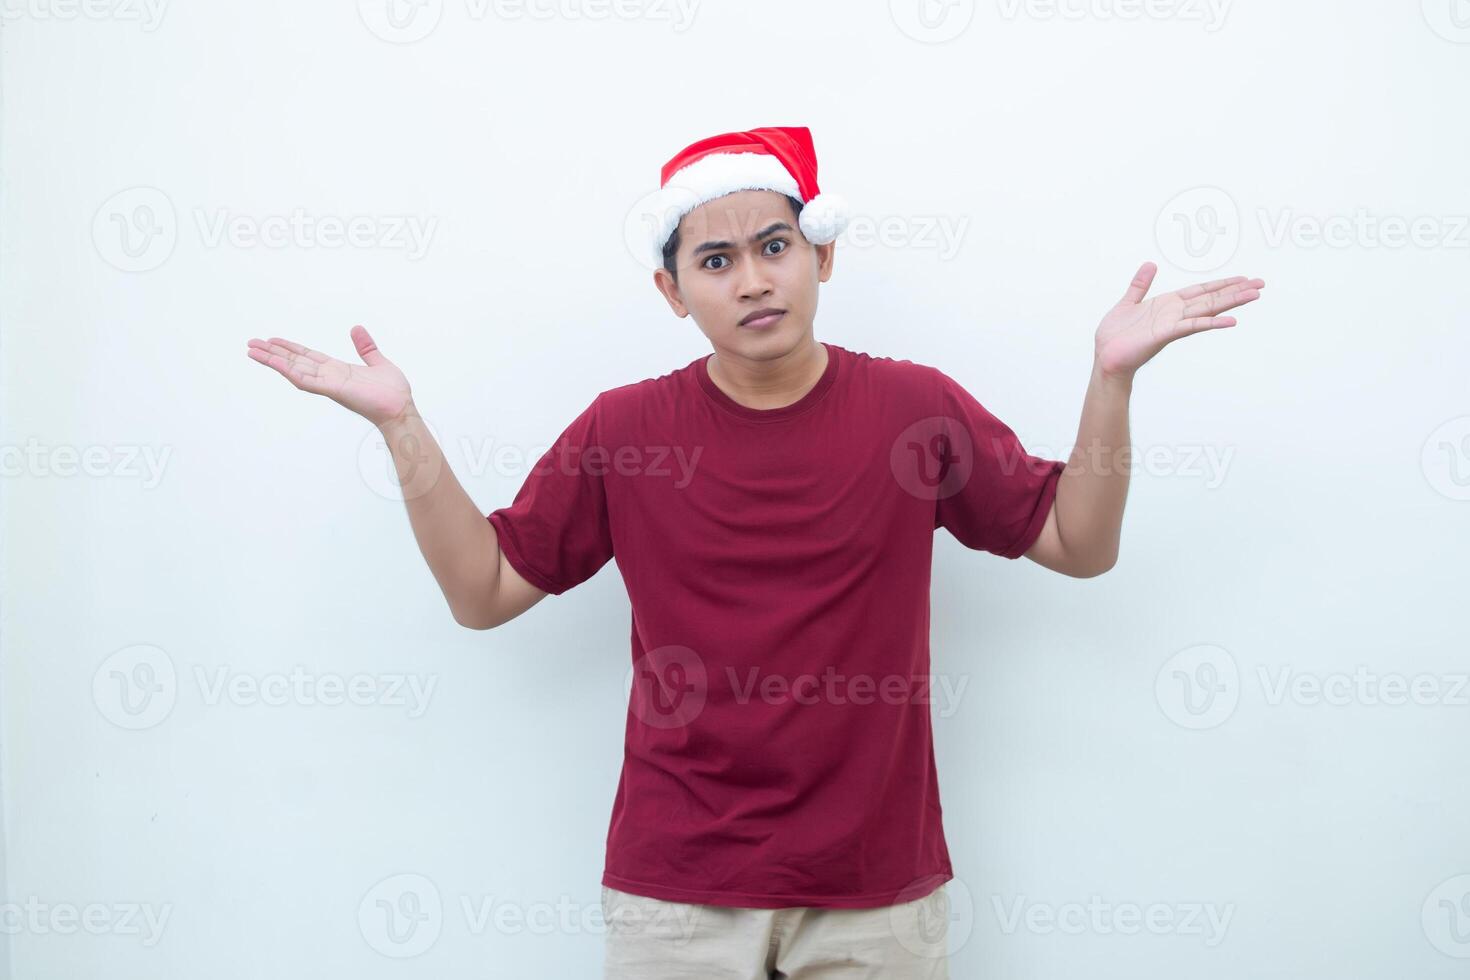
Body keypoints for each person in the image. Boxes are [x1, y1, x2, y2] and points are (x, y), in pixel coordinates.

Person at [246, 125, 1265, 978]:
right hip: (676, 890)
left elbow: (1079, 544)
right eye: (716, 260)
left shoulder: (914, 409)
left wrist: (1113, 380)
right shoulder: (625, 428)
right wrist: (400, 424)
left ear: (821, 255)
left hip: (876, 890)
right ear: (674, 291)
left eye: (774, 245)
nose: (753, 279)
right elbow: (483, 588)